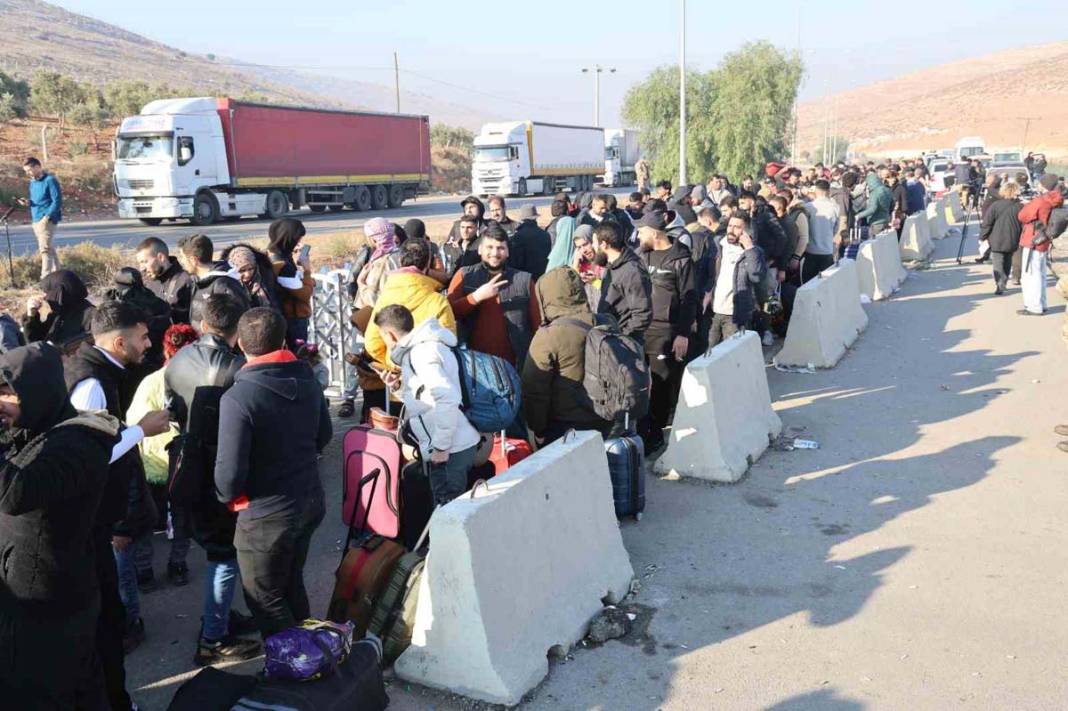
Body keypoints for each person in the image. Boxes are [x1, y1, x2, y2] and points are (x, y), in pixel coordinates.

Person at [0, 343, 120, 710]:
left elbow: (13, 493)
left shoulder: (78, 443)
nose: (1, 402)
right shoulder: (41, 428)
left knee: (43, 692)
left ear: (35, 392)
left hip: (50, 604)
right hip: (38, 593)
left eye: (7, 392)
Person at [66, 301, 171, 711]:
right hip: (90, 523)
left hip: (99, 516)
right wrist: (140, 431)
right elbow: (85, 454)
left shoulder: (105, 371)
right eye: (143, 338)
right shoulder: (91, 383)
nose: (149, 345)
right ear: (118, 341)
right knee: (104, 619)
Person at [214, 308, 332, 639]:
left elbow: (229, 475)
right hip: (308, 499)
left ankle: (296, 666)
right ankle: (313, 663)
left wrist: (226, 497)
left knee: (265, 597)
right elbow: (324, 435)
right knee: (290, 581)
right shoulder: (307, 379)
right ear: (282, 340)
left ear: (238, 343)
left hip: (266, 515)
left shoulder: (239, 397)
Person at [164, 295, 262, 665]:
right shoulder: (236, 369)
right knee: (224, 554)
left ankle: (218, 618)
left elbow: (173, 407)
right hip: (218, 466)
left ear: (204, 325)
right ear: (237, 330)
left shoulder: (178, 359)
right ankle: (213, 638)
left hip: (187, 460)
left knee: (216, 550)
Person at [375, 305, 480, 506]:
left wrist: (441, 447)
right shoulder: (423, 349)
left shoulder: (420, 354)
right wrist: (398, 386)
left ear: (390, 334)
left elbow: (447, 397)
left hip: (450, 449)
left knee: (447, 517)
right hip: (453, 443)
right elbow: (424, 398)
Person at [125, 324, 198, 597]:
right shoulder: (195, 377)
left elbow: (133, 419)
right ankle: (177, 565)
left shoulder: (151, 380)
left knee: (146, 519)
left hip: (151, 462)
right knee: (182, 517)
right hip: (182, 462)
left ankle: (144, 570)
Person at [522, 267, 614, 444]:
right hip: (606, 417)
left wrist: (538, 428)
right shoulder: (607, 321)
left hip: (565, 426)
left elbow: (534, 389)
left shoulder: (547, 336)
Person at [634, 212, 695, 452]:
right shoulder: (641, 254)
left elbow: (690, 298)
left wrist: (683, 334)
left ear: (655, 233)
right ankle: (643, 428)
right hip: (642, 329)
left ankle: (656, 434)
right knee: (639, 382)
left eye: (642, 231)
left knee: (661, 385)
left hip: (666, 331)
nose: (638, 234)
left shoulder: (680, 259)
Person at [363, 238, 458, 380]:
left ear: (400, 261)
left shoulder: (385, 298)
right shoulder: (438, 301)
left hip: (398, 383)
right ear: (427, 265)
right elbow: (449, 343)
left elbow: (372, 344)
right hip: (433, 380)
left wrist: (394, 363)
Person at [447, 225, 540, 369]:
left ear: (508, 251)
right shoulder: (464, 275)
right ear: (480, 249)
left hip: (514, 366)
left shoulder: (525, 280)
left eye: (501, 248)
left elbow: (537, 325)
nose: (495, 253)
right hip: (474, 366)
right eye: (489, 247)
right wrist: (476, 297)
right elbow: (449, 314)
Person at [708, 212, 767, 348]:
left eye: (737, 227)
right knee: (708, 355)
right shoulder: (718, 244)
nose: (731, 230)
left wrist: (750, 249)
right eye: (730, 226)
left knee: (728, 355)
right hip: (713, 311)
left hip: (735, 314)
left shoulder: (755, 252)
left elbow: (756, 276)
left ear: (745, 231)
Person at [595, 222, 652, 343]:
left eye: (595, 243)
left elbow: (642, 315)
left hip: (625, 345)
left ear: (604, 245)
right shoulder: (611, 267)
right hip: (610, 339)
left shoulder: (632, 271)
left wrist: (621, 337)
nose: (594, 247)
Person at [176, 234, 251, 325]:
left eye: (183, 257)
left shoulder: (223, 285)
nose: (182, 262)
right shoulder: (196, 281)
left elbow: (236, 322)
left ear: (194, 260)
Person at [1016, 173, 1064, 316]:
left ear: (1044, 186)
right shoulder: (1055, 199)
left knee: (1031, 274)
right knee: (1040, 273)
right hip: (1044, 238)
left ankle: (1034, 306)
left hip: (1033, 239)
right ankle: (1041, 304)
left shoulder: (1041, 200)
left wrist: (1029, 205)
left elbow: (1023, 216)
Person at [265, 217, 315, 347]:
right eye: (298, 238)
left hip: (284, 318)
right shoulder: (282, 265)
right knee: (298, 355)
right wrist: (307, 270)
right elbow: (304, 294)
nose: (299, 242)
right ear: (288, 239)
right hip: (292, 321)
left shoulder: (272, 255)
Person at [20, 268, 95, 348]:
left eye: (47, 292)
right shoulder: (56, 313)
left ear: (60, 293)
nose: (45, 297)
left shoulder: (92, 316)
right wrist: (32, 315)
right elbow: (33, 343)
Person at [135, 237, 194, 324]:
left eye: (145, 262)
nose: (142, 268)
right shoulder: (146, 281)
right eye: (140, 263)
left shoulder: (186, 281)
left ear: (161, 257)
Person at [978, 181, 1022, 295]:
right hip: (1013, 238)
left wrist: (983, 236)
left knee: (998, 261)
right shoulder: (1020, 206)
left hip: (996, 238)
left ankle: (999, 283)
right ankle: (1004, 281)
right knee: (1008, 261)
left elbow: (987, 223)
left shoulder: (996, 205)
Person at [20, 156, 62, 278]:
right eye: (26, 171)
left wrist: (47, 216)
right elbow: (36, 200)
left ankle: (45, 277)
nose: (28, 173)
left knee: (44, 250)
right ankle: (58, 273)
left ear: (38, 166)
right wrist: (28, 202)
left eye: (29, 170)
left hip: (47, 220)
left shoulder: (50, 180)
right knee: (48, 248)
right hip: (36, 219)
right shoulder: (33, 182)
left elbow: (57, 201)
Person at [355, 218, 402, 310]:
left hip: (387, 315)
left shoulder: (381, 262)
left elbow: (373, 299)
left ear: (374, 239)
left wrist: (360, 282)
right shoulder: (401, 254)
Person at [221, 243, 282, 310]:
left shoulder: (266, 279)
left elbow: (275, 304)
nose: (247, 274)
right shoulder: (229, 287)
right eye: (242, 270)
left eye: (250, 269)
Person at [802, 180, 840, 283]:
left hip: (810, 251)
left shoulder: (808, 207)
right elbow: (836, 229)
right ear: (828, 191)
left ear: (816, 190)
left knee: (808, 284)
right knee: (825, 285)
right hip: (827, 251)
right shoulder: (835, 207)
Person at [509, 204, 552, 279]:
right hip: (543, 276)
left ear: (522, 219)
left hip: (525, 278)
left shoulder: (517, 236)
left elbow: (515, 262)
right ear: (535, 218)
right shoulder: (545, 235)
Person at [856, 171, 893, 236]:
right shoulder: (887, 190)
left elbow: (872, 209)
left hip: (876, 222)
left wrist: (859, 215)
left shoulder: (874, 193)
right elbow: (893, 203)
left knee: (875, 243)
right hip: (885, 219)